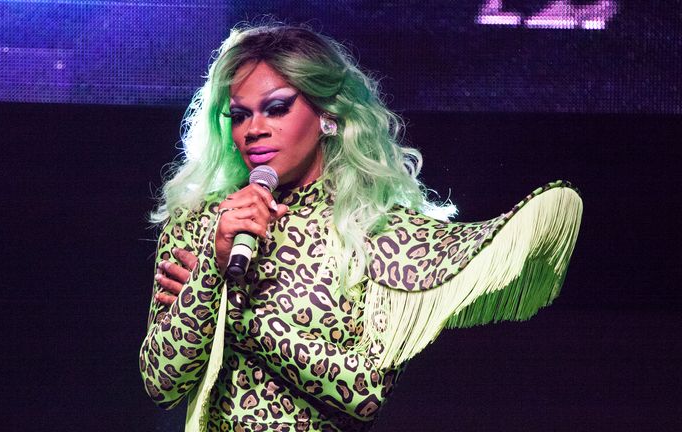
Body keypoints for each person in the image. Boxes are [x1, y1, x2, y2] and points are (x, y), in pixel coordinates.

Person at [139, 23, 582, 432]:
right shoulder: (202, 221)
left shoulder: (375, 230)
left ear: (327, 115)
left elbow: (364, 393)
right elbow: (162, 384)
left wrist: (233, 311)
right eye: (239, 115)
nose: (254, 130)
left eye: (276, 109)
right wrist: (211, 273)